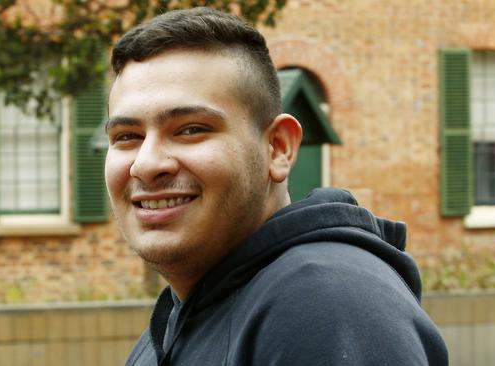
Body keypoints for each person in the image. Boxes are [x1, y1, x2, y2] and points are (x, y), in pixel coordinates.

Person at [104, 7, 448, 366]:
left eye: (190, 129)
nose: (146, 164)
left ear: (278, 148)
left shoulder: (324, 305)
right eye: (127, 136)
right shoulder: (179, 321)